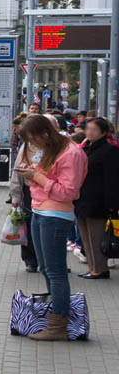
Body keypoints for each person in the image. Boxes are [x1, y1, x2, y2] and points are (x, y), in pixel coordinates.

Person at [14, 114, 87, 341]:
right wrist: (32, 173)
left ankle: (59, 324)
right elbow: (49, 178)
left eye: (33, 139)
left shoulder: (70, 153)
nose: (33, 145)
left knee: (55, 272)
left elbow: (68, 191)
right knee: (46, 268)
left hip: (55, 215)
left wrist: (36, 175)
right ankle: (55, 316)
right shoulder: (53, 149)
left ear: (44, 133)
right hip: (40, 211)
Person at [74, 117, 119, 279]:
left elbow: (112, 179)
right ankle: (92, 267)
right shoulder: (86, 148)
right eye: (88, 129)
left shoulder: (109, 150)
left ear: (104, 132)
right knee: (86, 236)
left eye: (94, 129)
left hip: (98, 200)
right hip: (82, 198)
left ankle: (100, 269)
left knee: (97, 236)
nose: (89, 132)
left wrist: (112, 204)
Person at [9, 141, 38, 273]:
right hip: (30, 191)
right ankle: (30, 260)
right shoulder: (27, 146)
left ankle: (47, 260)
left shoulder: (56, 145)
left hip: (51, 194)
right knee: (29, 226)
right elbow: (17, 172)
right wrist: (15, 196)